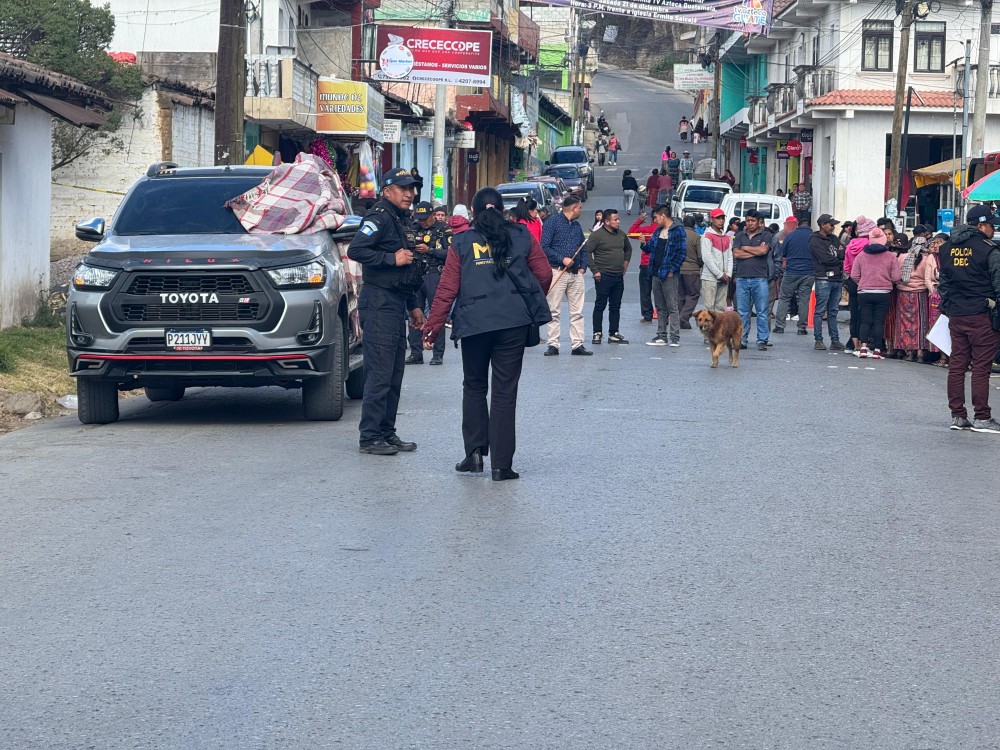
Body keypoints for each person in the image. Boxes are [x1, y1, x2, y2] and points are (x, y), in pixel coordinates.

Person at [422, 187, 553, 480]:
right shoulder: (521, 236)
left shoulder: (461, 242)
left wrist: (432, 326)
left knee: (474, 387)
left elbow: (447, 289)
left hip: (474, 323)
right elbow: (544, 274)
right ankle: (501, 466)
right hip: (513, 323)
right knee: (505, 392)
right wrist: (527, 300)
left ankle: (474, 455)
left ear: (473, 211)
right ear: (503, 210)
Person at [346, 167, 427, 456]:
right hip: (379, 303)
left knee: (394, 374)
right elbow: (357, 250)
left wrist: (414, 306)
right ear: (388, 191)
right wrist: (390, 258)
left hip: (397, 302)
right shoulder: (379, 216)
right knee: (379, 374)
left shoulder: (402, 219)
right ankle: (369, 437)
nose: (410, 194)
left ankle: (386, 432)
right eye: (404, 188)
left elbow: (408, 270)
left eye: (413, 188)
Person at [939, 205, 1000, 432]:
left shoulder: (946, 249)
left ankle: (957, 415)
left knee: (957, 365)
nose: (994, 229)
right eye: (992, 225)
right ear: (981, 225)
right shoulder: (988, 250)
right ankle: (982, 417)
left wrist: (950, 306)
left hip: (956, 315)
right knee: (981, 368)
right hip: (982, 315)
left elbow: (943, 284)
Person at [541, 195, 591, 356]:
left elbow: (583, 248)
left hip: (575, 274)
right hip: (557, 271)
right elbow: (544, 247)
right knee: (553, 310)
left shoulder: (576, 226)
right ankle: (553, 344)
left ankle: (577, 345)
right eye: (580, 208)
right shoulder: (552, 223)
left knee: (577, 311)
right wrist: (562, 259)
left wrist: (583, 267)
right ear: (573, 208)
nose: (581, 210)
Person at [406, 201, 453, 366]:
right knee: (414, 312)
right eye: (419, 219)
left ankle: (437, 353)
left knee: (437, 313)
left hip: (434, 274)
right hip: (416, 275)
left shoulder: (443, 230)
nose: (422, 222)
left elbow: (451, 253)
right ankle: (415, 353)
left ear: (433, 215)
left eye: (425, 219)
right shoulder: (413, 228)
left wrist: (430, 250)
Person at [850, 236, 901, 360]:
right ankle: (877, 350)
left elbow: (854, 275)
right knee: (879, 321)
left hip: (864, 292)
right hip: (883, 292)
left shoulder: (861, 255)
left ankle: (863, 348)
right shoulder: (890, 256)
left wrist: (863, 282)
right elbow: (896, 277)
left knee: (865, 320)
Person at [587, 208, 632, 345]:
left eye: (618, 219)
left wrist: (625, 265)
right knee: (600, 304)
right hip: (603, 276)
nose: (618, 221)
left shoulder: (621, 235)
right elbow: (587, 253)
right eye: (615, 219)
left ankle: (613, 333)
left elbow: (628, 249)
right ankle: (597, 333)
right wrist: (595, 271)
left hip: (618, 276)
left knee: (615, 306)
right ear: (606, 221)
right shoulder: (597, 235)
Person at [645, 204, 686, 347]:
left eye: (655, 217)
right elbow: (650, 248)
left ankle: (675, 336)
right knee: (660, 306)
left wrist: (672, 270)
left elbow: (682, 253)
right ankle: (661, 335)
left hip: (669, 274)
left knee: (672, 306)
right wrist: (644, 244)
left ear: (663, 215)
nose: (654, 221)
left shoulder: (677, 230)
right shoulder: (658, 231)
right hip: (656, 273)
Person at [732, 209, 774, 351]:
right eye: (748, 220)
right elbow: (736, 254)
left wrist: (746, 248)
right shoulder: (739, 235)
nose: (750, 223)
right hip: (742, 279)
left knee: (762, 311)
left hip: (760, 279)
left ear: (758, 222)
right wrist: (755, 251)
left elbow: (763, 251)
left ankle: (762, 339)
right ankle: (742, 339)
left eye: (753, 221)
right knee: (742, 312)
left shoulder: (766, 235)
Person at [810, 213, 846, 351]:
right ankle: (818, 339)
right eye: (830, 224)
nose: (832, 227)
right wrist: (837, 257)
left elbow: (843, 253)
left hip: (837, 278)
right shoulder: (815, 240)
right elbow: (825, 259)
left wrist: (837, 256)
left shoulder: (834, 239)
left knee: (833, 310)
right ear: (822, 225)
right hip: (823, 278)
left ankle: (835, 340)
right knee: (820, 310)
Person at [893, 234, 931, 362]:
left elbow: (897, 275)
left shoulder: (903, 257)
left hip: (903, 293)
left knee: (905, 323)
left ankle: (908, 351)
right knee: (921, 323)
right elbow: (928, 278)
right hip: (920, 293)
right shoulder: (927, 259)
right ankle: (920, 352)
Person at [844, 216, 879, 352]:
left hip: (853, 281)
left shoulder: (849, 245)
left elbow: (846, 267)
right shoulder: (869, 247)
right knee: (865, 314)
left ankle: (854, 344)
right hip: (867, 282)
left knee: (854, 314)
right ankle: (863, 345)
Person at [773, 218, 814, 335]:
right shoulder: (813, 236)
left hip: (791, 271)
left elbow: (783, 252)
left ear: (798, 225)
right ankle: (802, 328)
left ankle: (779, 326)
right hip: (808, 272)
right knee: (804, 300)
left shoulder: (790, 236)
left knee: (784, 298)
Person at [921, 232, 947, 366]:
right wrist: (933, 291)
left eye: (939, 243)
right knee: (937, 325)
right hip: (936, 295)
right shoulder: (931, 258)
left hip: (949, 295)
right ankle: (941, 356)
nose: (936, 246)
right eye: (935, 243)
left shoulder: (950, 256)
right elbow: (927, 278)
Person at [700, 208, 732, 311]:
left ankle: (719, 328)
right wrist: (719, 274)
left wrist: (728, 274)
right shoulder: (707, 235)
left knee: (721, 308)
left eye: (722, 218)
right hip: (710, 277)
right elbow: (707, 257)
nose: (721, 221)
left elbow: (730, 257)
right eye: (718, 218)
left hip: (724, 277)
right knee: (710, 308)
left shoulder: (727, 237)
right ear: (712, 219)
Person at [630, 211, 657, 322]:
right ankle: (664, 314)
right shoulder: (666, 230)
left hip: (646, 264)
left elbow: (631, 232)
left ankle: (647, 315)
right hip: (659, 265)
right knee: (660, 292)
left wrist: (639, 220)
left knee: (645, 291)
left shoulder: (646, 230)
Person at [678, 215, 703, 327]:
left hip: (678, 269)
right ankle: (684, 316)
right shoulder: (696, 237)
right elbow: (700, 256)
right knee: (693, 294)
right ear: (694, 225)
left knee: (680, 295)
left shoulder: (677, 235)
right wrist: (700, 264)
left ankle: (680, 316)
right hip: (692, 269)